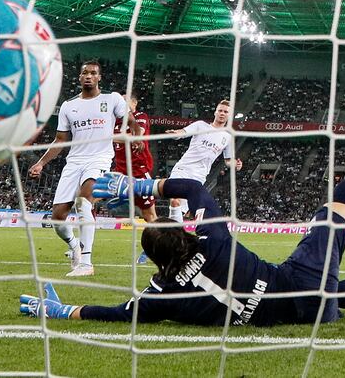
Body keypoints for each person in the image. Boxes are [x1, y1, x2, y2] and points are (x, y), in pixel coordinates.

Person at [19, 91, 345, 325]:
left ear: (156, 262)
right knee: (343, 199)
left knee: (327, 292)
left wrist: (62, 310)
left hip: (301, 313)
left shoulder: (161, 291)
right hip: (293, 282)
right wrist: (138, 184)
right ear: (182, 233)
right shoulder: (211, 243)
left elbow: (118, 314)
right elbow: (195, 191)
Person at [29, 60, 142, 277]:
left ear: (99, 77)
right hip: (74, 162)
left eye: (93, 73)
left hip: (99, 159)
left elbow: (131, 120)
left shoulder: (112, 99)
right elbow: (60, 140)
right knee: (57, 217)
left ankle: (87, 264)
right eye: (84, 73)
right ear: (79, 78)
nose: (88, 76)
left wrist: (137, 137)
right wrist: (41, 162)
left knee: (83, 202)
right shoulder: (69, 106)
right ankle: (74, 247)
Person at [165, 100, 242, 223]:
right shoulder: (200, 125)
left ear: (229, 115)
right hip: (183, 168)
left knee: (185, 211)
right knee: (174, 200)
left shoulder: (228, 137)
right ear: (215, 112)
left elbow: (228, 160)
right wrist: (175, 133)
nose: (222, 113)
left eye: (225, 112)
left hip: (199, 175)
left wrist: (236, 165)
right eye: (220, 110)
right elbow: (183, 132)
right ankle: (173, 233)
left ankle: (176, 232)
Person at [112, 92, 156, 264]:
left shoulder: (140, 117)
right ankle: (80, 247)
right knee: (89, 196)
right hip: (119, 172)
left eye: (125, 100)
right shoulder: (114, 121)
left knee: (149, 215)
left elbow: (137, 134)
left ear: (134, 103)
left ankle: (154, 249)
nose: (121, 103)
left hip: (139, 171)